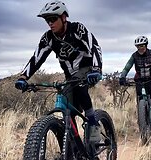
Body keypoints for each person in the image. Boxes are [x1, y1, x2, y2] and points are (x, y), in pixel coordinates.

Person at [14, 1, 103, 143]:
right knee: (68, 106)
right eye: (47, 20)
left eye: (53, 19)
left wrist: (97, 69)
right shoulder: (48, 37)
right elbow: (37, 58)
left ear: (63, 17)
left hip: (87, 70)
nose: (50, 23)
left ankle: (93, 125)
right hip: (69, 75)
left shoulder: (77, 29)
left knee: (80, 88)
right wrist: (23, 77)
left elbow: (94, 47)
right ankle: (73, 151)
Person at [118, 36, 151, 121]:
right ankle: (142, 119)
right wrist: (122, 77)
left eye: (142, 46)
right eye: (138, 46)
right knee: (140, 98)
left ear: (146, 45)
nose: (140, 48)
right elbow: (127, 68)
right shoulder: (134, 56)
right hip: (140, 81)